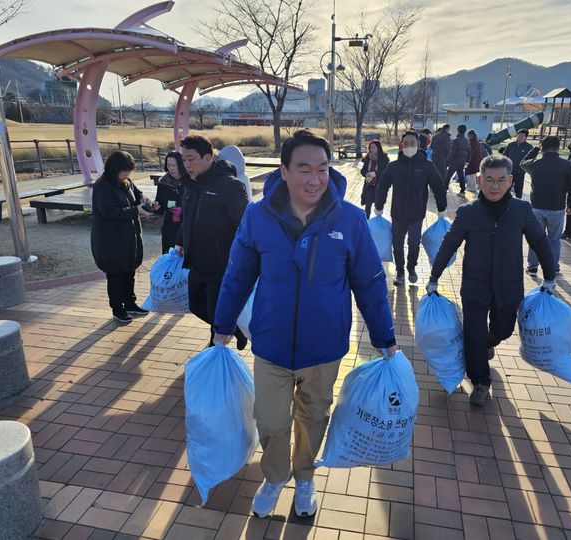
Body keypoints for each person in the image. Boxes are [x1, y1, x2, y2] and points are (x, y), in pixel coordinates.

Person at [212, 130, 397, 519]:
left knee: (314, 416)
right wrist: (223, 323)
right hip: (271, 342)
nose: (315, 179)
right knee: (271, 419)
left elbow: (369, 281)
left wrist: (384, 335)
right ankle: (275, 476)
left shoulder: (349, 219)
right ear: (284, 171)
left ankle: (306, 477)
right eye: (304, 169)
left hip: (324, 345)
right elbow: (237, 274)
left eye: (323, 169)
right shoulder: (257, 215)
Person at [426, 155, 556, 407]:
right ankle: (481, 381)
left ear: (509, 181)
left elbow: (540, 241)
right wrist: (434, 276)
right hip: (475, 286)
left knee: (504, 329)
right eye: (489, 180)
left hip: (508, 286)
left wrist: (550, 276)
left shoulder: (521, 210)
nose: (494, 186)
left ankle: (489, 342)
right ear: (479, 180)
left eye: (500, 180)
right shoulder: (468, 213)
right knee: (473, 334)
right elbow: (449, 244)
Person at [174, 135, 250, 348]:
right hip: (196, 259)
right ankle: (233, 329)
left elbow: (245, 223)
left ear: (208, 158)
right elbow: (187, 217)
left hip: (221, 261)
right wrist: (181, 241)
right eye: (184, 159)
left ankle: (214, 349)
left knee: (216, 307)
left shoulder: (229, 186)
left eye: (191, 159)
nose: (186, 164)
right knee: (197, 305)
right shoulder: (190, 184)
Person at [374, 131, 448, 286]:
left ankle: (411, 267)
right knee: (397, 244)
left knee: (414, 244)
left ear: (418, 145)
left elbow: (438, 186)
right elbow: (383, 186)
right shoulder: (394, 166)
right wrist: (379, 205)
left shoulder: (427, 165)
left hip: (417, 214)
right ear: (401, 146)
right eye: (405, 143)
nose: (408, 146)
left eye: (412, 143)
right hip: (398, 214)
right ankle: (400, 271)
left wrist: (442, 208)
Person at [91, 151, 152, 324]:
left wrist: (144, 199)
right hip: (110, 239)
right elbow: (108, 212)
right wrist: (135, 211)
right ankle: (118, 309)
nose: (127, 174)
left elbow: (137, 194)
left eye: (129, 171)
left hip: (129, 236)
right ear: (114, 168)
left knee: (129, 271)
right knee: (116, 274)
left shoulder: (126, 182)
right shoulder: (102, 186)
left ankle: (130, 303)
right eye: (124, 170)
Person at [521, 136, 571, 275]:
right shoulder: (566, 165)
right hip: (557, 208)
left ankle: (532, 267)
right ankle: (553, 267)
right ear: (558, 147)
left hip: (537, 207)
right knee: (554, 240)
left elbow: (522, 163)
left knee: (536, 238)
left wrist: (534, 150)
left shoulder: (535, 164)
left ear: (542, 147)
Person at [152, 151, 187, 254]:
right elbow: (160, 205)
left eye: (173, 165)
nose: (171, 168)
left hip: (185, 224)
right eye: (168, 165)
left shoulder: (189, 181)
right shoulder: (164, 182)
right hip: (169, 225)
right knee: (169, 254)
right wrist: (157, 207)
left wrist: (182, 210)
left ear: (181, 165)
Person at [359, 140, 389, 218]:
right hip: (369, 185)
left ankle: (378, 223)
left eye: (373, 147)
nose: (371, 149)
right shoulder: (367, 158)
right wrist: (366, 174)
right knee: (367, 206)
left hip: (379, 186)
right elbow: (362, 170)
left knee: (378, 206)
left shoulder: (384, 159)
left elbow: (385, 171)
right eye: (370, 147)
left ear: (378, 148)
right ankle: (366, 222)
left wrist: (375, 174)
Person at [502, 129, 533, 198]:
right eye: (518, 136)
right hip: (509, 171)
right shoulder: (511, 145)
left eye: (522, 136)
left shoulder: (529, 147)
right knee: (506, 188)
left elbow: (531, 159)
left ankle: (518, 204)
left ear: (526, 137)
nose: (519, 137)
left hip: (520, 172)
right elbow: (504, 156)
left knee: (518, 190)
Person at [445, 124, 470, 194]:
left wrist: (447, 161)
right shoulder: (467, 141)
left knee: (448, 174)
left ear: (458, 131)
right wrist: (467, 160)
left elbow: (452, 152)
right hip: (462, 160)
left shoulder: (456, 140)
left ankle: (445, 187)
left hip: (455, 160)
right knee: (461, 174)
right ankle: (462, 188)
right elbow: (469, 151)